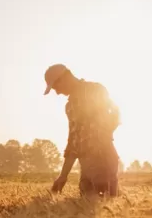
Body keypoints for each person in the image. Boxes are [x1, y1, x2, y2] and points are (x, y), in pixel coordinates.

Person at [42, 64, 121, 198]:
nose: (57, 92)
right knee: (85, 206)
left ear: (65, 77)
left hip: (103, 160)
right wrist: (63, 176)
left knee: (103, 203)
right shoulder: (69, 107)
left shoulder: (95, 90)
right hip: (86, 166)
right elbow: (73, 142)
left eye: (56, 87)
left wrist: (105, 135)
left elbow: (116, 112)